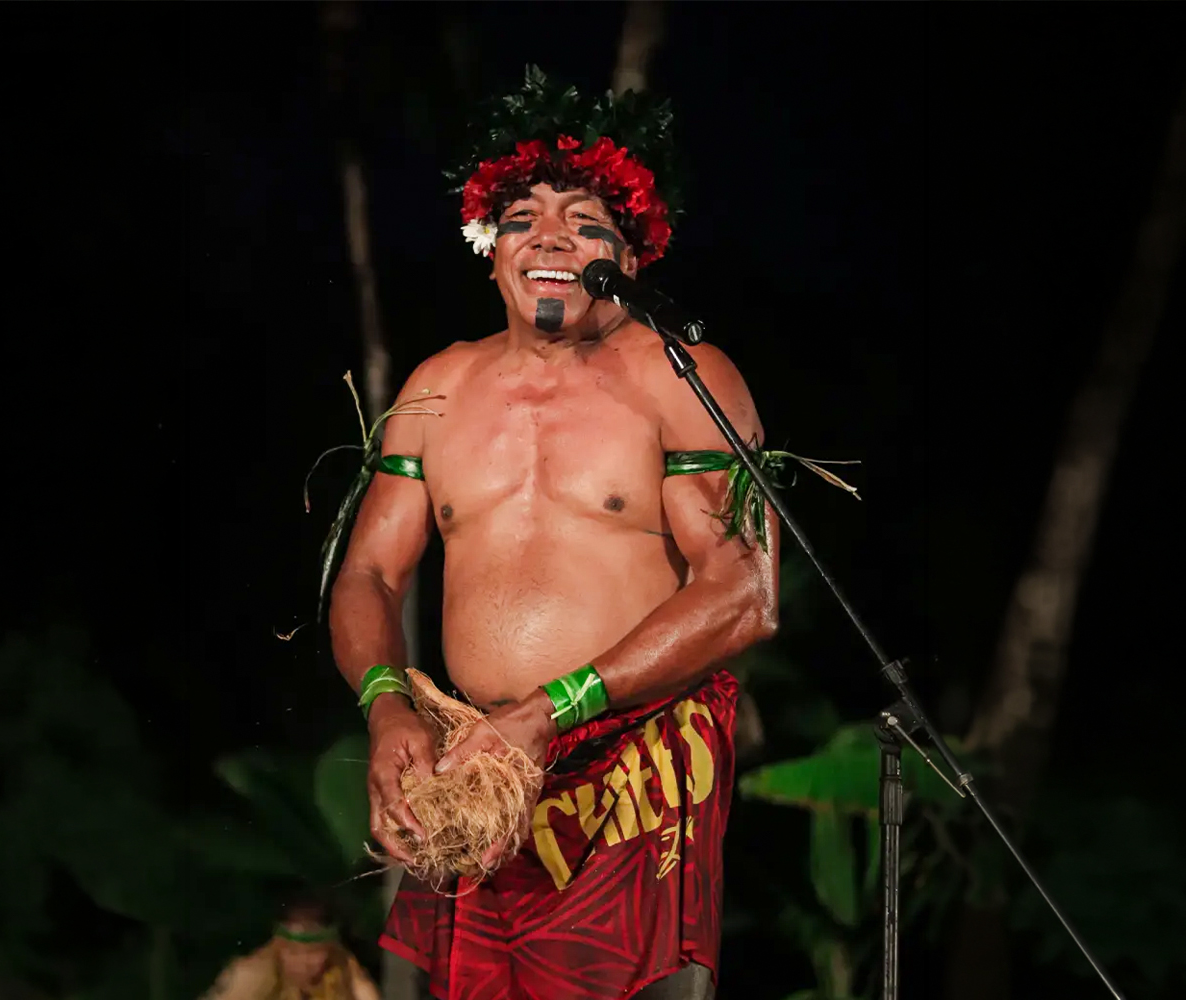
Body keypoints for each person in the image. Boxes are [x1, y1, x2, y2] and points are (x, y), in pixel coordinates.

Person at [323, 67, 794, 1000]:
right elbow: (369, 573)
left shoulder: (679, 374)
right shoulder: (438, 387)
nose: (549, 238)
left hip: (631, 767)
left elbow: (745, 592)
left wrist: (550, 710)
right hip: (482, 772)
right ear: (489, 246)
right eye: (522, 219)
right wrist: (386, 707)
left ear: (630, 253)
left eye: (584, 222)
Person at [201, 898, 380, 1000]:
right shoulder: (252, 974)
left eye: (313, 952)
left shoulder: (345, 974)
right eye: (293, 951)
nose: (303, 962)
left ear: (329, 950)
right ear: (278, 947)